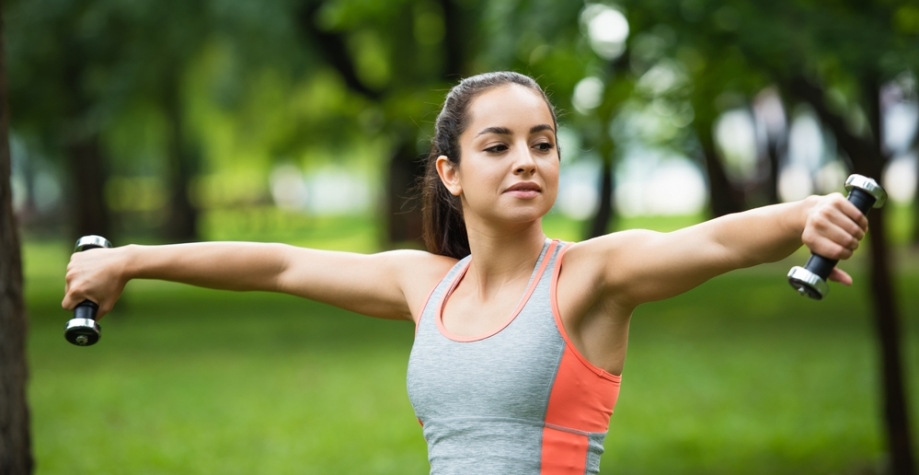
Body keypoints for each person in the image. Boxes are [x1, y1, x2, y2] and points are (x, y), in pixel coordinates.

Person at [62, 71, 868, 475]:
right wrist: (131, 259)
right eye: (499, 145)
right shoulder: (426, 285)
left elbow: (715, 240)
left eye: (542, 142)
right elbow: (277, 261)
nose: (526, 160)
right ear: (450, 171)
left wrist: (802, 214)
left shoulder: (589, 277)